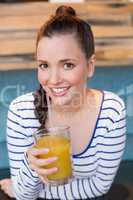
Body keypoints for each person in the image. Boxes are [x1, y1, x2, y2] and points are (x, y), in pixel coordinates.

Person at [0, 5, 127, 200]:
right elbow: (26, 195)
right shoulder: (21, 112)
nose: (53, 79)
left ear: (90, 66)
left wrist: (18, 188)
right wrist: (31, 167)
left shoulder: (111, 111)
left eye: (67, 65)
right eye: (44, 65)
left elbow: (100, 186)